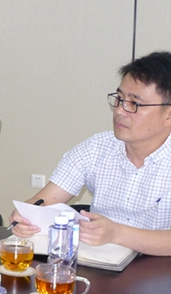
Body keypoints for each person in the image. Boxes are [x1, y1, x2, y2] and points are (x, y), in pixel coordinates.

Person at [11, 51, 171, 256]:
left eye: (134, 104)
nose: (120, 111)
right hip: (99, 262)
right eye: (119, 98)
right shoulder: (96, 148)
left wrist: (116, 233)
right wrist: (25, 215)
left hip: (158, 268)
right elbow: (43, 201)